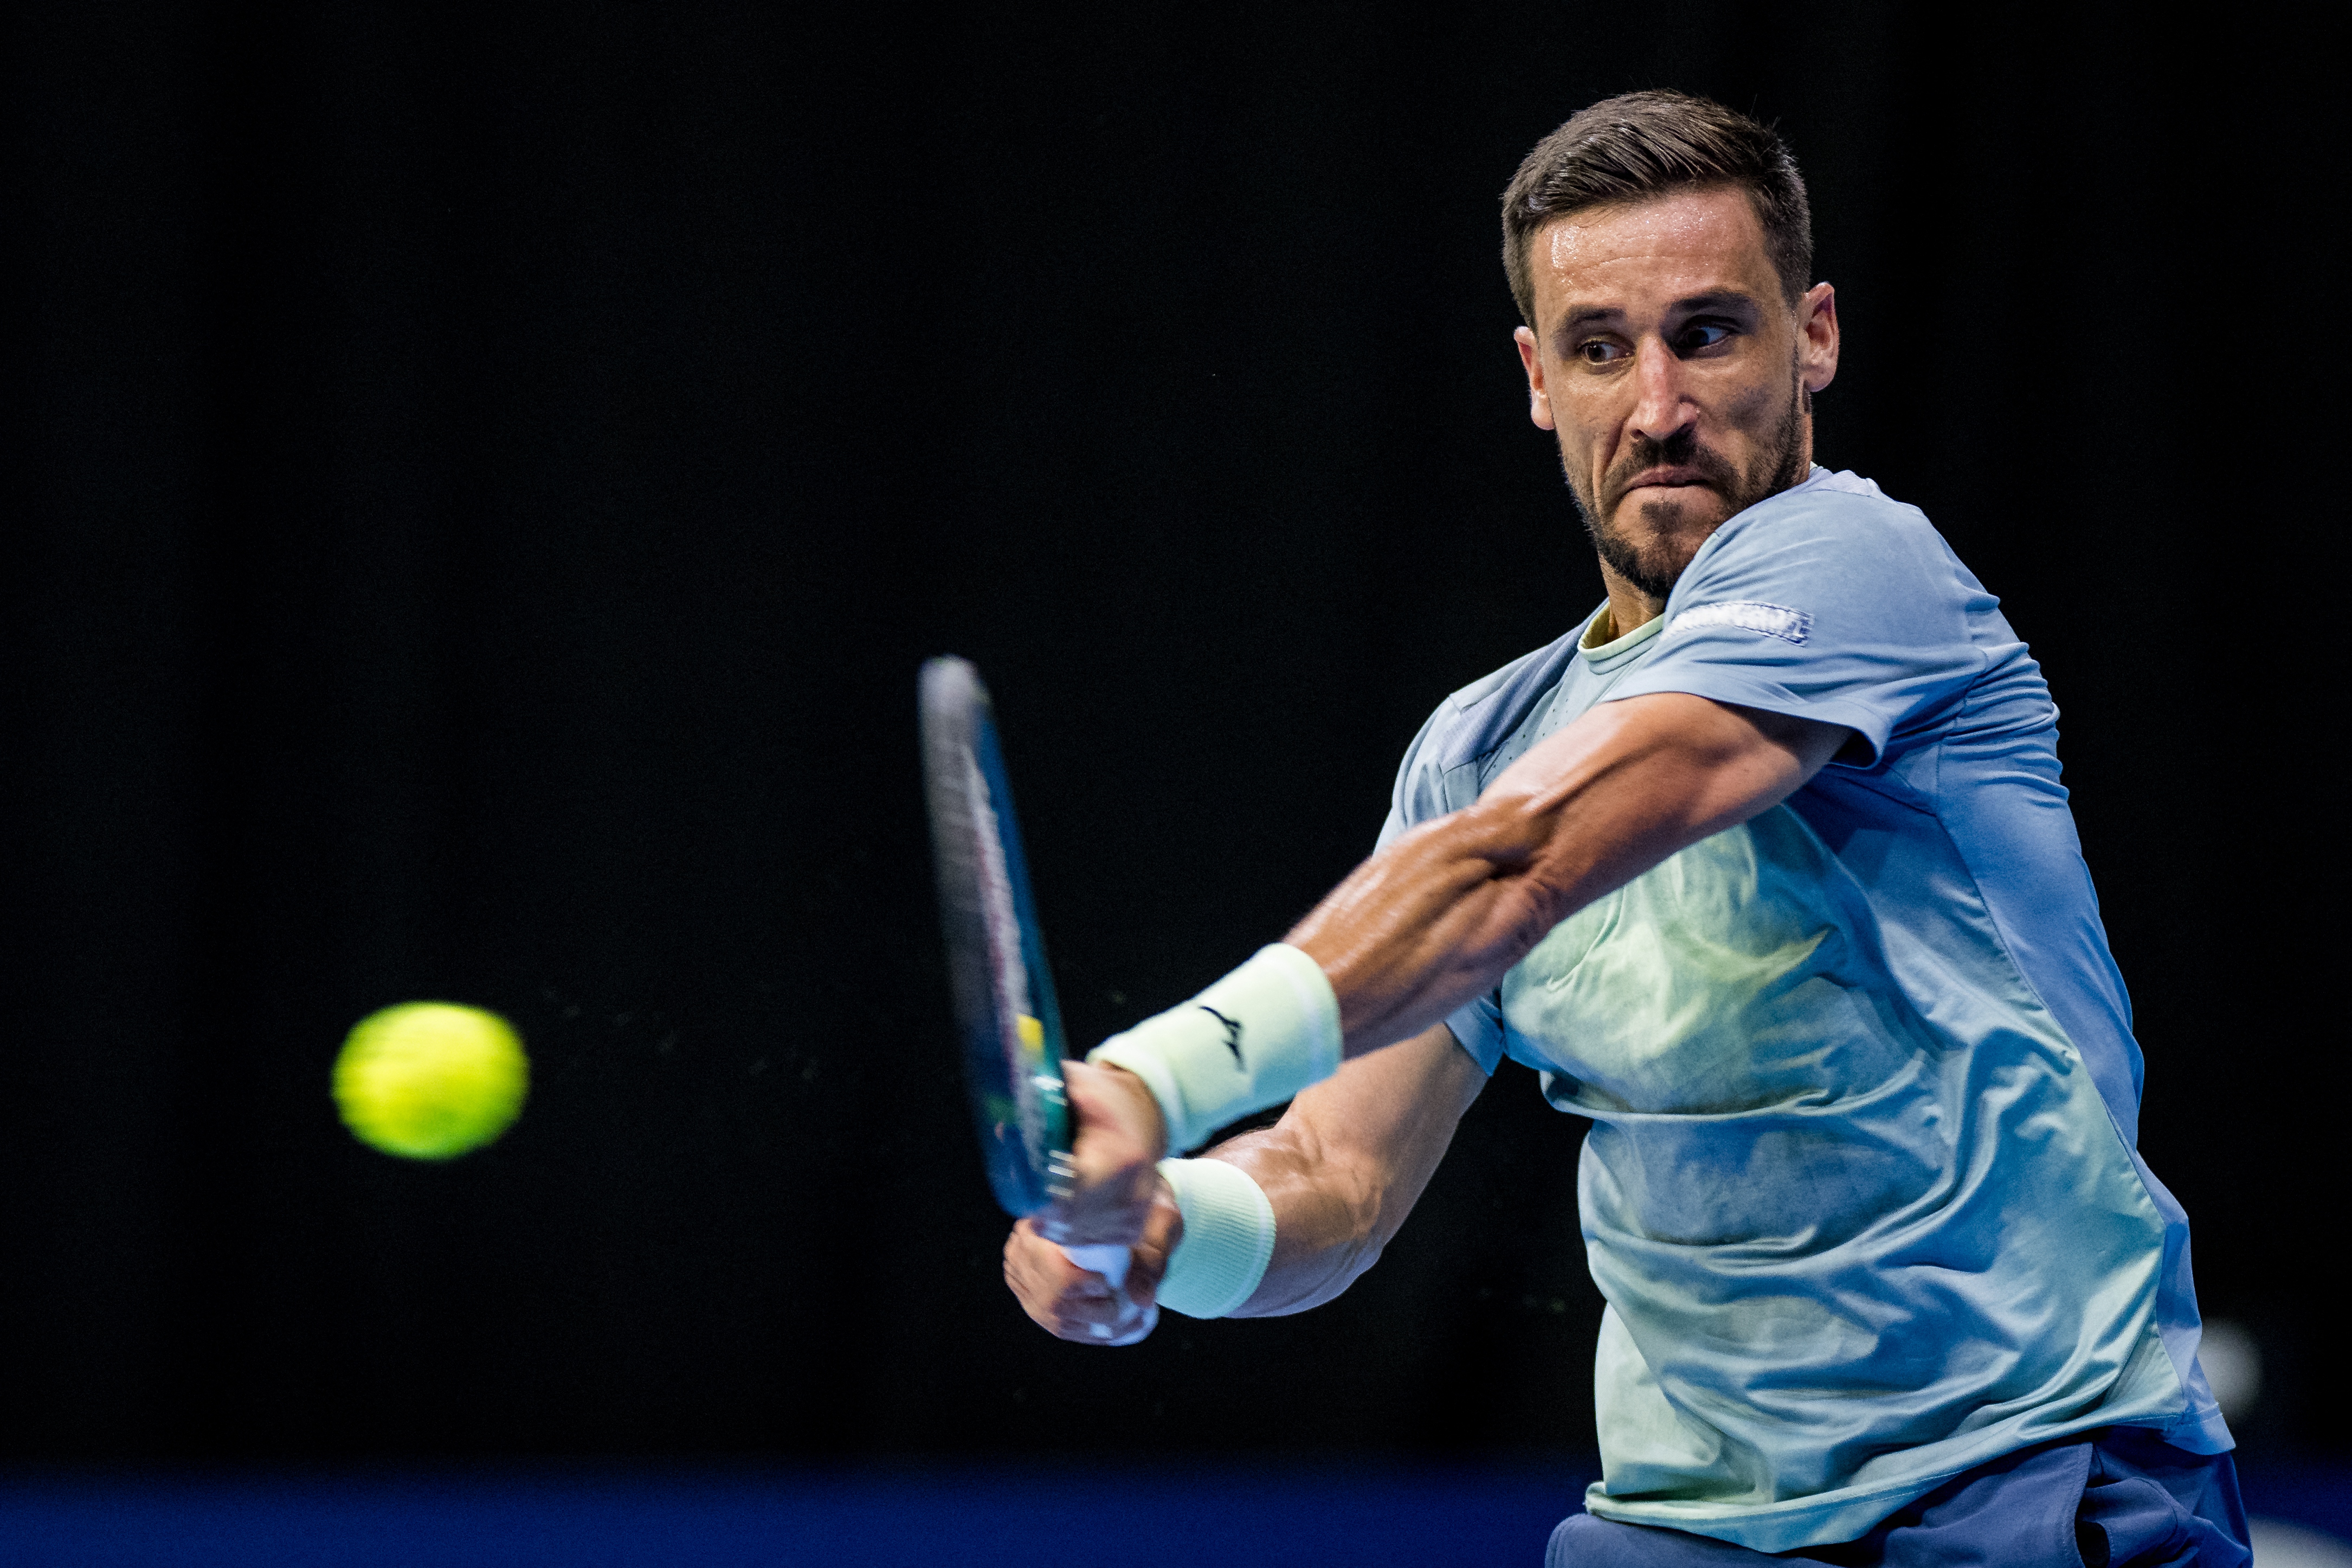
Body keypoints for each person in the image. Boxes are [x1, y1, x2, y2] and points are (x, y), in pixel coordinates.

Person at [1000, 91, 2248, 1566]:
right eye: (1600, 348)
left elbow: (1523, 867)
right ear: (1538, 377)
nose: (1655, 405)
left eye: (1706, 334)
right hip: (1685, 1533)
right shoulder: (1474, 750)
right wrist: (1165, 1233)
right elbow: (1336, 1180)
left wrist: (1152, 1075)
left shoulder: (1862, 567)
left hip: (2023, 1480)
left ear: (1815, 338)